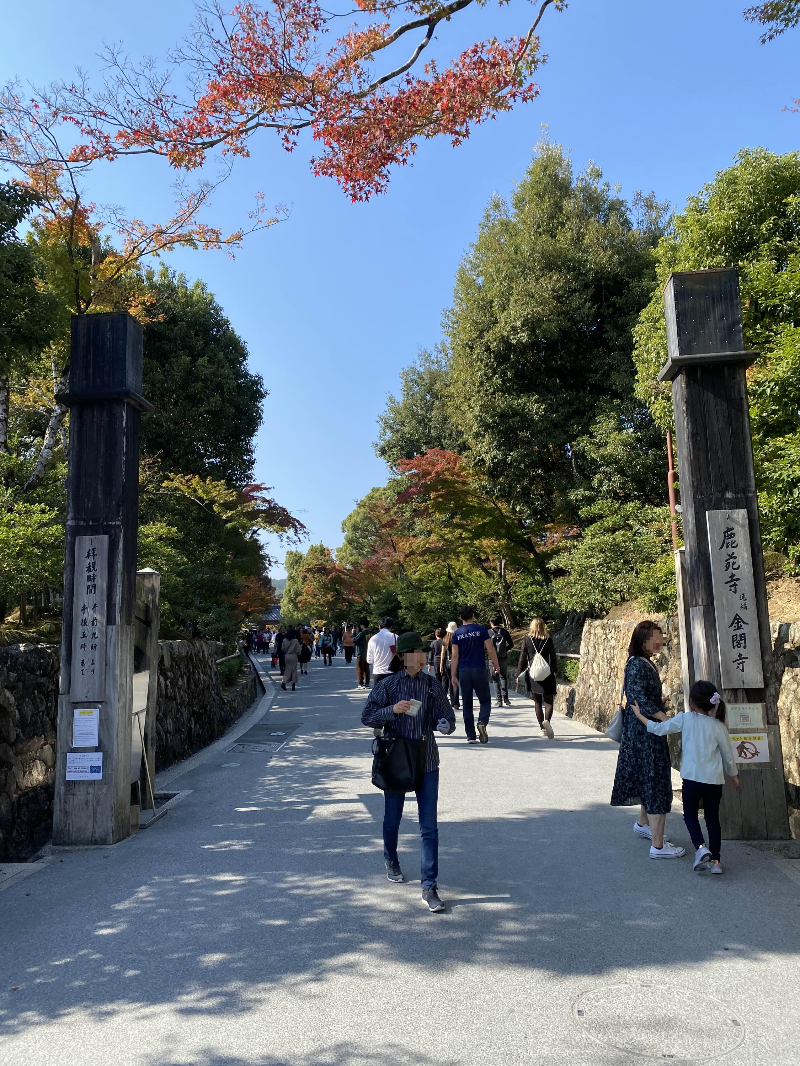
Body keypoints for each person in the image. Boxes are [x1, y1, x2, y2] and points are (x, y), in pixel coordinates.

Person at [361, 631, 456, 913]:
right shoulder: (388, 685)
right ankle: (391, 858)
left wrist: (444, 725)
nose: (423, 656)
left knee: (429, 827)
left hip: (426, 759)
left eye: (424, 652)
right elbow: (367, 716)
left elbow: (448, 716)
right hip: (397, 759)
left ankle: (429, 886)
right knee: (393, 819)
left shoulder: (431, 685)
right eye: (417, 652)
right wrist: (392, 710)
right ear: (403, 656)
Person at [631, 679, 739, 874]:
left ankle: (700, 847)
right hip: (714, 781)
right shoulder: (718, 726)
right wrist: (733, 775)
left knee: (690, 815)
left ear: (692, 702)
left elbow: (658, 729)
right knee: (712, 819)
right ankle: (716, 862)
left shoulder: (685, 719)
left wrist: (639, 715)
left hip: (692, 779)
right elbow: (727, 755)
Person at [610, 620, 684, 859]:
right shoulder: (639, 665)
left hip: (642, 730)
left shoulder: (641, 663)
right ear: (643, 640)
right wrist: (667, 720)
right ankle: (658, 846)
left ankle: (643, 824)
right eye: (656, 636)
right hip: (646, 733)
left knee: (647, 778)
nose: (660, 640)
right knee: (654, 782)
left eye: (660, 635)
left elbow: (640, 697)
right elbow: (639, 698)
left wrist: (658, 704)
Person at [450, 606, 501, 744]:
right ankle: (482, 722)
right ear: (473, 615)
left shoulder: (456, 634)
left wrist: (453, 675)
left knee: (467, 704)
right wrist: (496, 665)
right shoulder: (482, 630)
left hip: (464, 670)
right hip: (479, 668)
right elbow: (490, 650)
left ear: (460, 617)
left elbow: (455, 656)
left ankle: (470, 736)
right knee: (485, 700)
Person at [517, 618, 558, 737]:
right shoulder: (548, 640)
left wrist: (520, 673)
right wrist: (554, 671)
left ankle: (542, 728)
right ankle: (547, 722)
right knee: (549, 701)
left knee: (537, 702)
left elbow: (522, 658)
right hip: (547, 673)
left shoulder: (527, 639)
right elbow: (553, 656)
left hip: (533, 674)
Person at [489, 616, 514, 708]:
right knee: (503, 677)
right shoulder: (504, 632)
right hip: (503, 657)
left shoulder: (489, 633)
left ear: (492, 622)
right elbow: (511, 644)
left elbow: (484, 647)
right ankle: (506, 698)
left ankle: (499, 700)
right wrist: (504, 650)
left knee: (495, 679)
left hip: (492, 658)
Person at [367, 617, 399, 685]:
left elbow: (369, 660)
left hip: (378, 673)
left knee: (379, 695)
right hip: (393, 673)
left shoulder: (372, 639)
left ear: (379, 627)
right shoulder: (396, 638)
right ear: (391, 627)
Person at [440, 622, 460, 709]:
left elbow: (443, 652)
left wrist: (441, 664)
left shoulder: (445, 639)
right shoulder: (459, 638)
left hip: (447, 662)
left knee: (448, 680)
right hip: (457, 662)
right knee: (455, 682)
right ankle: (455, 702)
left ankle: (447, 701)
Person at [353, 619, 371, 688]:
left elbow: (354, 640)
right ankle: (367, 683)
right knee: (366, 669)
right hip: (367, 653)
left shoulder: (361, 633)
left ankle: (361, 683)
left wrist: (355, 633)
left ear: (362, 626)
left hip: (360, 653)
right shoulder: (370, 633)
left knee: (359, 668)